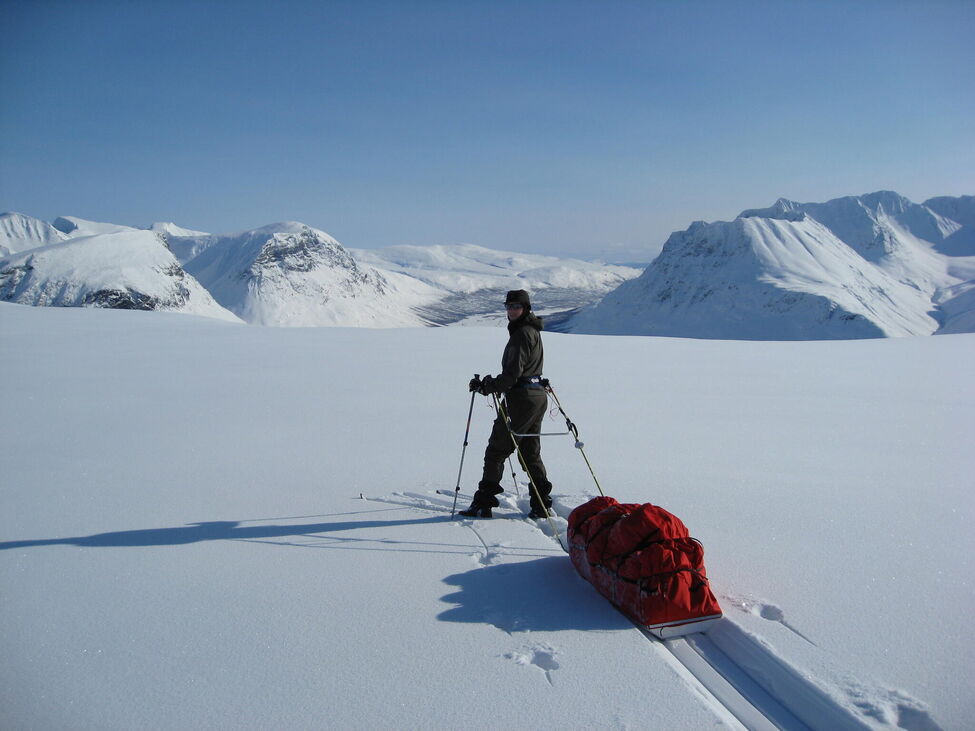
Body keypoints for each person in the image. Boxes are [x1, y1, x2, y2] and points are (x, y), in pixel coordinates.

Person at [460, 289, 554, 519]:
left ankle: (484, 502)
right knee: (529, 452)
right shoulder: (533, 330)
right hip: (537, 396)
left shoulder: (522, 333)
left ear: (526, 308)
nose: (511, 311)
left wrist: (486, 386)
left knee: (497, 450)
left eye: (516, 307)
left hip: (521, 399)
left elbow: (512, 375)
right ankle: (541, 505)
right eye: (509, 306)